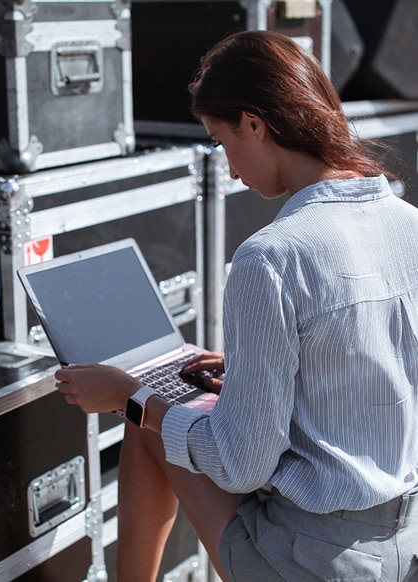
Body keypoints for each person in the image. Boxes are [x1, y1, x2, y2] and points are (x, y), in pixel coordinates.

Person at [55, 29, 418, 581]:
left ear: (255, 123)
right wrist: (253, 375)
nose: (228, 169)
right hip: (403, 545)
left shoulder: (269, 258)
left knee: (147, 429)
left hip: (312, 561)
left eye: (222, 141)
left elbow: (240, 466)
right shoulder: (410, 224)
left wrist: (131, 397)